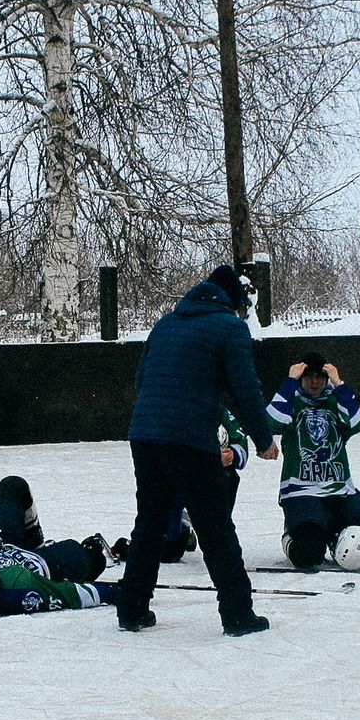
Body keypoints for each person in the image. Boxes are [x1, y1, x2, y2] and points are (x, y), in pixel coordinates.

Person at [119, 264, 279, 636]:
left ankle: (132, 609)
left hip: (145, 433)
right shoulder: (229, 327)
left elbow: (142, 379)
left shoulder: (166, 323)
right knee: (215, 526)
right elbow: (245, 389)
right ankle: (238, 614)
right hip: (188, 437)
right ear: (233, 301)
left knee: (150, 522)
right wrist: (263, 440)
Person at [268, 350, 360, 572]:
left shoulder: (335, 402)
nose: (315, 381)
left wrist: (340, 384)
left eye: (320, 376)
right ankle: (292, 534)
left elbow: (358, 421)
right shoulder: (293, 403)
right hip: (302, 492)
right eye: (309, 376)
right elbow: (270, 421)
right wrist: (289, 382)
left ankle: (336, 534)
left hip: (341, 492)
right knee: (308, 556)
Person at [0, 475, 119, 618]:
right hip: (39, 565)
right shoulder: (19, 591)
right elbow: (70, 595)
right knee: (91, 558)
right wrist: (119, 592)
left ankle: (33, 537)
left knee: (12, 486)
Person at [159, 407, 251, 563]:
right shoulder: (172, 408)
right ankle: (182, 524)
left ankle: (218, 531)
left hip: (217, 479)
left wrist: (233, 454)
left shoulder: (220, 410)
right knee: (169, 551)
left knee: (220, 545)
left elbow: (241, 441)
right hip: (181, 477)